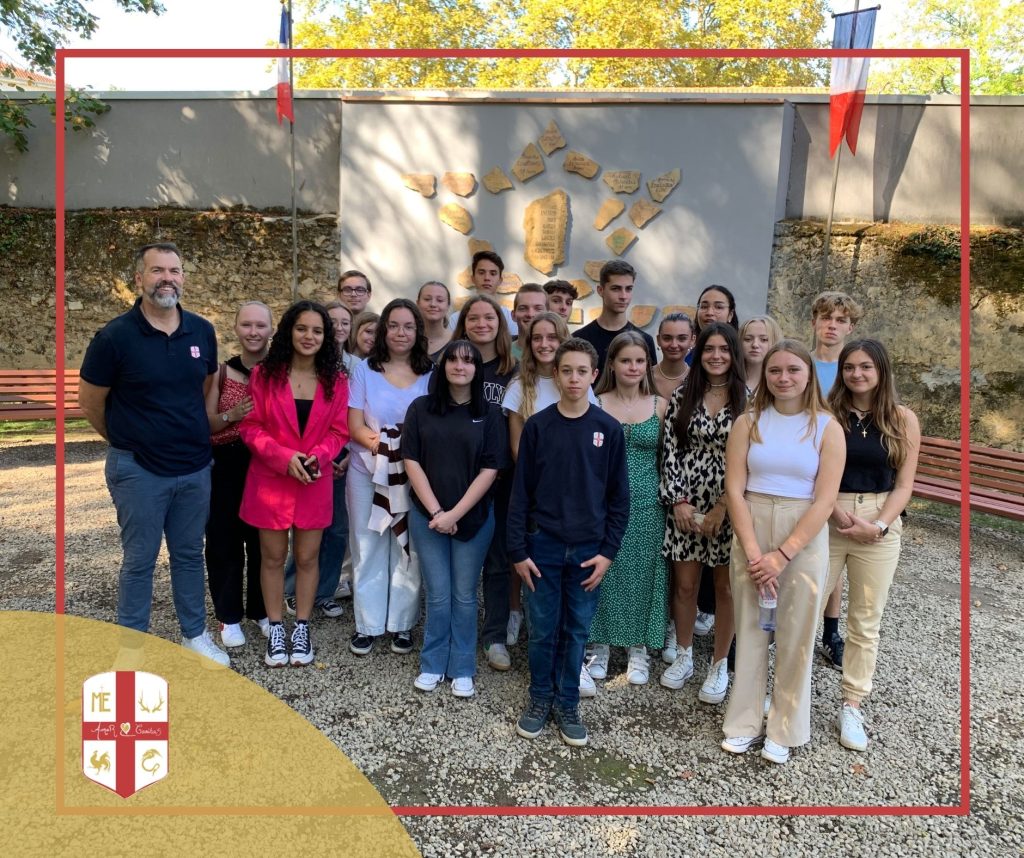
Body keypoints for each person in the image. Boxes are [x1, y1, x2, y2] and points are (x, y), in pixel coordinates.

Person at [78, 242, 229, 668]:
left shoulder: (201, 331)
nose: (167, 278)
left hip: (194, 467)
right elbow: (90, 401)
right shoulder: (115, 337)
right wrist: (127, 440)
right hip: (139, 469)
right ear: (139, 278)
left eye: (174, 270)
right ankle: (131, 649)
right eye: (157, 270)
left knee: (188, 555)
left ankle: (195, 636)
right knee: (140, 560)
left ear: (183, 278)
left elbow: (203, 388)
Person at [721, 339, 844, 765]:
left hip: (803, 531)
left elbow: (825, 500)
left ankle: (785, 727)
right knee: (751, 628)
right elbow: (734, 488)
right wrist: (754, 550)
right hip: (752, 523)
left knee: (796, 634)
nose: (783, 378)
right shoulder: (748, 422)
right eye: (775, 370)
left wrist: (782, 555)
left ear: (809, 375)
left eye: (793, 370)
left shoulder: (827, 427)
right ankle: (743, 722)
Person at [509, 338, 629, 747]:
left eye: (582, 371)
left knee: (576, 629)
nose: (574, 378)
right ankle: (540, 697)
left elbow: (619, 498)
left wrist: (607, 553)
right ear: (556, 376)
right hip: (542, 546)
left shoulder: (607, 429)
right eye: (566, 371)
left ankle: (568, 701)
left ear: (594, 375)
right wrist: (518, 550)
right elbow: (520, 494)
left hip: (588, 550)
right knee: (543, 628)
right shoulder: (538, 427)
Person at [239, 301, 350, 667]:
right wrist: (284, 457)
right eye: (302, 328)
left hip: (314, 479)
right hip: (271, 479)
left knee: (307, 557)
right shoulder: (265, 375)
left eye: (317, 331)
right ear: (289, 331)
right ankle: (276, 627)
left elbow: (339, 431)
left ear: (326, 337)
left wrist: (316, 456)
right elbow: (251, 427)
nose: (309, 336)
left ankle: (301, 626)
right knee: (271, 558)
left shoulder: (336, 380)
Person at [825, 339, 920, 751]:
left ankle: (852, 704)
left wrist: (879, 526)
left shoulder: (902, 419)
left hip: (880, 518)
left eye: (865, 366)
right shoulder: (827, 413)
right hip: (830, 514)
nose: (856, 374)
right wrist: (834, 512)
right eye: (849, 367)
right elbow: (814, 473)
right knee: (804, 610)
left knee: (865, 620)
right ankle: (792, 696)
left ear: (881, 370)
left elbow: (905, 484)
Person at [403, 340, 508, 697]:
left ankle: (462, 666)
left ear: (477, 369)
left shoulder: (490, 414)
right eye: (452, 360)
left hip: (473, 518)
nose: (460, 367)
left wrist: (455, 514)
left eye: (468, 361)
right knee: (437, 594)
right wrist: (437, 513)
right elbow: (411, 460)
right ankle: (433, 662)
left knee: (464, 595)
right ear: (443, 366)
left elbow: (490, 469)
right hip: (427, 517)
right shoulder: (421, 408)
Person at [659, 323, 746, 704]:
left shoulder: (749, 400)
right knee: (685, 585)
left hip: (731, 504)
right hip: (687, 503)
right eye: (709, 348)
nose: (716, 355)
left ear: (734, 354)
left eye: (724, 349)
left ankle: (719, 664)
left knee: (726, 588)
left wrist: (724, 506)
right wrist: (678, 501)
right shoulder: (684, 394)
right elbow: (670, 450)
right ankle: (684, 655)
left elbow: (753, 457)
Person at [347, 298, 434, 656]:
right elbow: (354, 424)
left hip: (414, 473)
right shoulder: (364, 370)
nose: (401, 333)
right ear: (384, 330)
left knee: (407, 548)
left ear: (418, 331)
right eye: (394, 325)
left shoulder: (431, 373)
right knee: (367, 544)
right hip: (368, 469)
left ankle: (401, 624)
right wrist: (386, 449)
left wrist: (405, 455)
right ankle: (367, 624)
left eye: (408, 326)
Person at [587, 332, 668, 687]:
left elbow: (668, 459)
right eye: (625, 360)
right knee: (606, 569)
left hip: (649, 503)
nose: (632, 367)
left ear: (647, 364)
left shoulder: (660, 405)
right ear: (612, 364)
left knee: (645, 572)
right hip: (603, 502)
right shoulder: (595, 403)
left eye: (639, 361)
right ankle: (599, 645)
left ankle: (638, 649)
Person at [450, 294, 518, 671]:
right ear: (463, 324)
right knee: (455, 561)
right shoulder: (452, 364)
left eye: (489, 317)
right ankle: (453, 632)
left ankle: (494, 636)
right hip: (458, 477)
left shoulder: (513, 371)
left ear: (500, 323)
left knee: (497, 561)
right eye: (473, 318)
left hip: (502, 478)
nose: (481, 324)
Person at [282, 300, 357, 619]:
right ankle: (291, 589)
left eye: (344, 322)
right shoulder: (292, 366)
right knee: (301, 529)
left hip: (340, 454)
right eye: (333, 321)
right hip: (305, 456)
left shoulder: (355, 366)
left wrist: (345, 455)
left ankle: (325, 591)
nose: (339, 327)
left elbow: (353, 416)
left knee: (337, 529)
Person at [204, 301, 273, 649]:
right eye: (247, 325)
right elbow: (206, 424)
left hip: (266, 464)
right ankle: (228, 615)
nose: (253, 332)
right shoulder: (220, 372)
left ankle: (262, 610)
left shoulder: (281, 373)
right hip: (226, 464)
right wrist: (233, 414)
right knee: (223, 541)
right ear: (236, 328)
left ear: (271, 330)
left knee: (265, 542)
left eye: (260, 325)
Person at [810, 291, 864, 670]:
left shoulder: (854, 369)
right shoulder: (802, 363)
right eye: (826, 317)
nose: (832, 325)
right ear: (814, 321)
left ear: (851, 327)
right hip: (801, 462)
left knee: (832, 554)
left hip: (838, 466)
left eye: (840, 320)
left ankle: (830, 632)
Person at [573, 260, 656, 377]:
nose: (623, 296)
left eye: (628, 289)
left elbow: (649, 385)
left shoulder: (645, 341)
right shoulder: (579, 339)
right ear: (600, 290)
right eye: (616, 289)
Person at [448, 250, 518, 335]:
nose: (487, 278)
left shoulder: (510, 319)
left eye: (493, 273)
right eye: (481, 273)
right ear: (473, 279)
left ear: (500, 280)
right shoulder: (456, 319)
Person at [653, 312, 695, 401]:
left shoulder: (698, 380)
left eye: (682, 338)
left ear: (692, 340)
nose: (674, 345)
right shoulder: (642, 378)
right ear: (658, 340)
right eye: (667, 338)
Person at [739, 315, 782, 394]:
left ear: (775, 342)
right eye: (748, 339)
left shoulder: (782, 382)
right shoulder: (727, 380)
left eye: (764, 340)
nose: (755, 345)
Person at [511, 283, 548, 360]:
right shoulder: (502, 353)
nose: (530, 314)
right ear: (513, 315)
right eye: (523, 308)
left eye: (538, 309)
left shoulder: (559, 355)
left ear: (549, 314)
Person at [417, 280, 452, 360]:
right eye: (427, 299)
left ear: (448, 306)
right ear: (418, 303)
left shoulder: (457, 341)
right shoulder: (407, 340)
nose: (433, 304)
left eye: (440, 300)